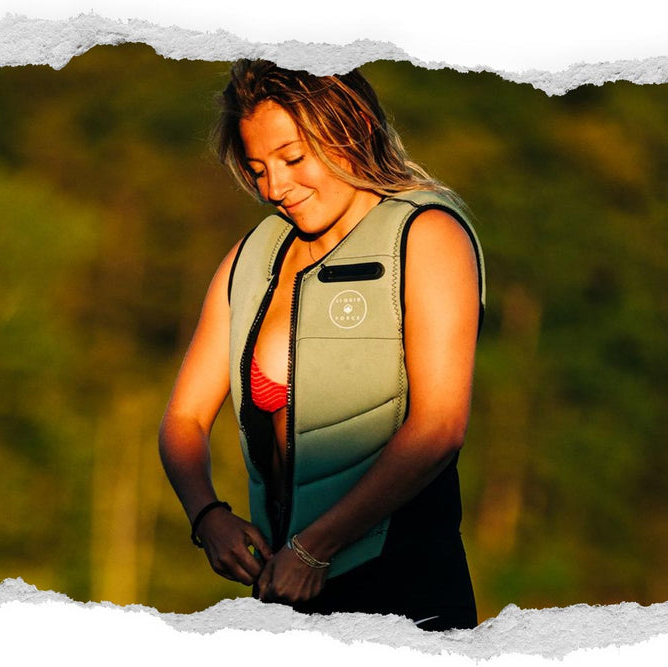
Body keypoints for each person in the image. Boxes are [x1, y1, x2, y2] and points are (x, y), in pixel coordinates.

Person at [157, 59, 484, 631]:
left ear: (353, 128)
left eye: (292, 159)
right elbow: (183, 418)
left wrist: (316, 548)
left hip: (406, 590)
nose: (273, 188)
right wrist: (206, 515)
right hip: (286, 591)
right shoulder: (250, 261)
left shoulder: (427, 236)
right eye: (257, 168)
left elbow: (439, 428)